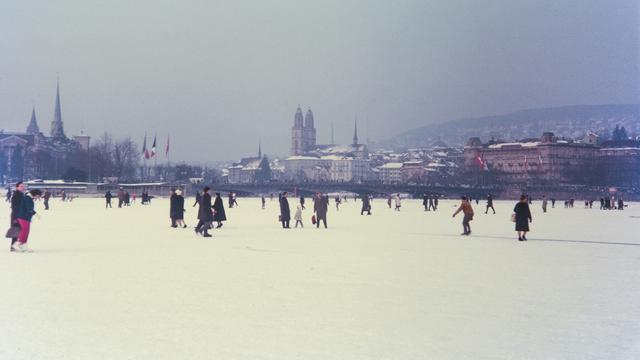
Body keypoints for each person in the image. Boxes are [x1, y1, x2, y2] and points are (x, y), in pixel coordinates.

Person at [9, 182, 26, 251]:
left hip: (19, 215)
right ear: (17, 187)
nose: (23, 187)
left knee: (18, 231)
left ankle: (15, 246)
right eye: (21, 186)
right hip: (16, 216)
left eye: (23, 186)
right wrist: (16, 218)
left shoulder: (21, 194)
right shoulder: (16, 195)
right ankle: (13, 247)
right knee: (16, 231)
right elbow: (14, 207)